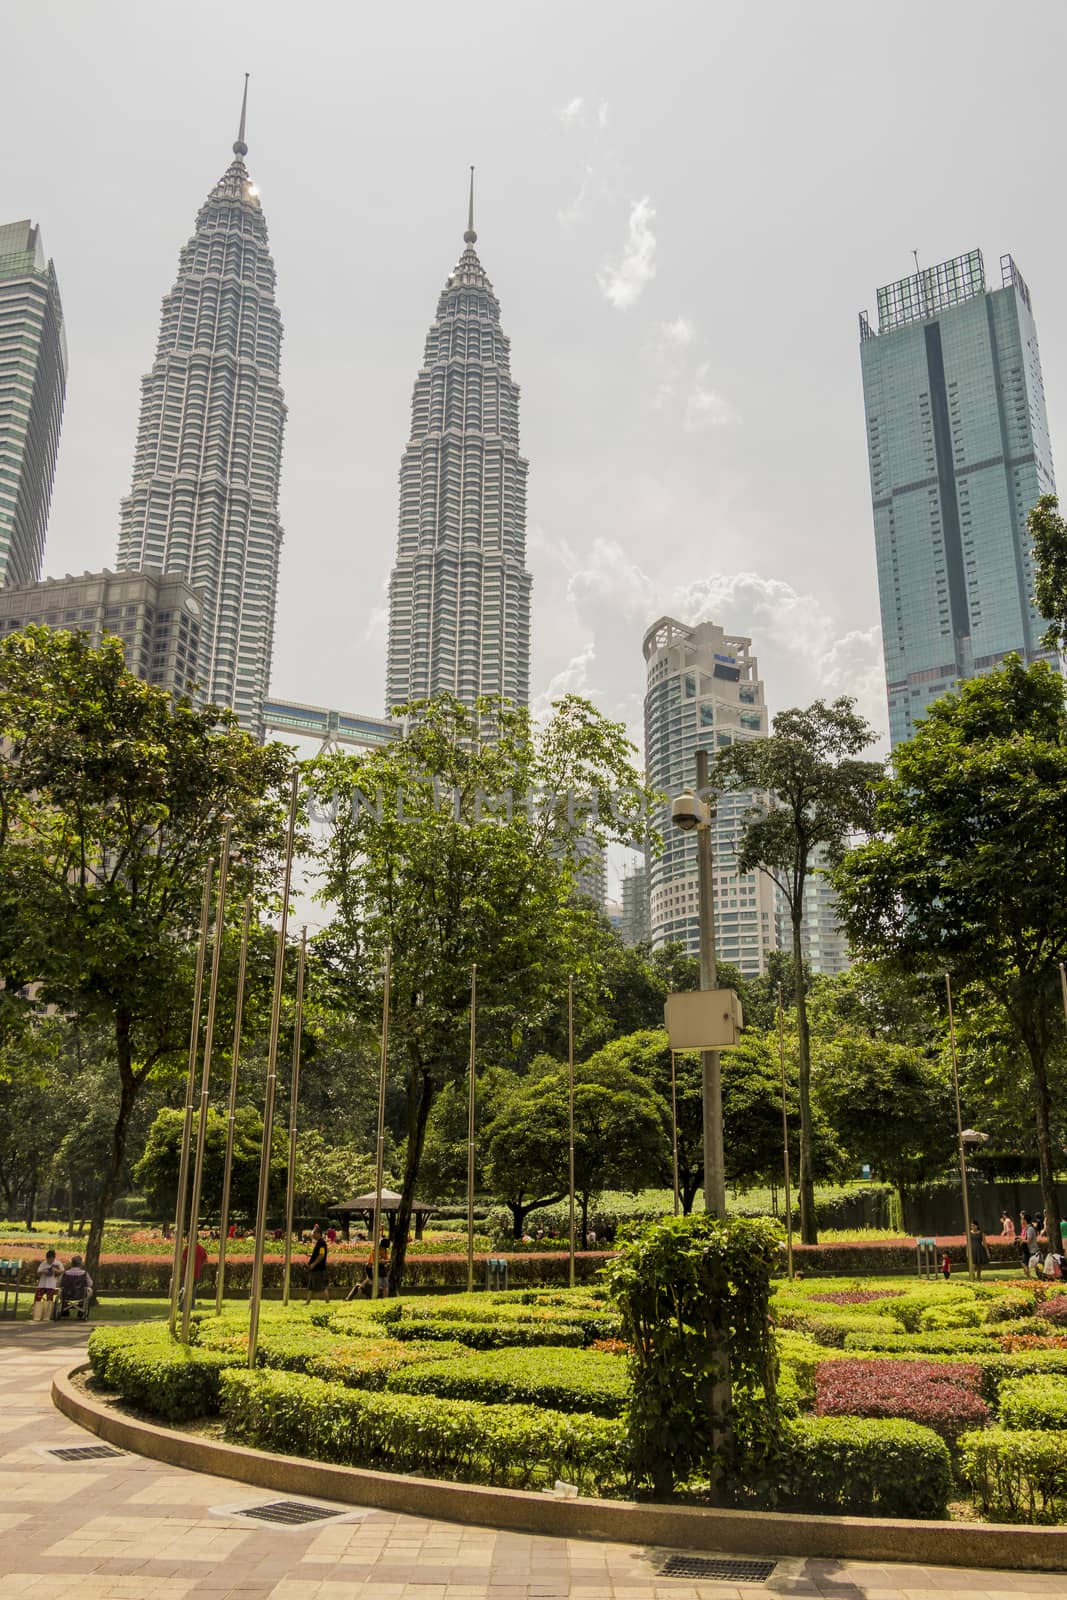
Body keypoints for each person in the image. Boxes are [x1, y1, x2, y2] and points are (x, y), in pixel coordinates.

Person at [32, 1248, 64, 1321]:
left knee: (49, 1299)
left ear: (54, 1258)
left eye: (51, 1260)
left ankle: (47, 1315)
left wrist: (56, 1271)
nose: (49, 1261)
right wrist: (43, 1271)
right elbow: (38, 1272)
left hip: (51, 1284)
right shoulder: (43, 1263)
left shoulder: (58, 1263)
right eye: (48, 1259)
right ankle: (37, 1314)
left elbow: (62, 1271)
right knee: (38, 1298)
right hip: (42, 1284)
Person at [179, 1238, 209, 1308]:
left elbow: (182, 1260)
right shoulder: (201, 1249)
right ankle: (192, 1305)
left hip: (187, 1272)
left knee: (184, 1288)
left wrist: (181, 1269)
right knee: (193, 1290)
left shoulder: (188, 1248)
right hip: (196, 1273)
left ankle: (182, 1305)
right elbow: (206, 1260)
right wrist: (199, 1264)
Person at [305, 1224, 329, 1303]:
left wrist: (313, 1264)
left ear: (318, 1233)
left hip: (318, 1268)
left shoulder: (321, 1243)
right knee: (311, 1286)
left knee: (322, 1286)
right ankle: (307, 1302)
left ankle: (327, 1301)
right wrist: (310, 1256)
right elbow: (318, 1254)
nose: (312, 1234)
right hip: (315, 1268)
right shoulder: (318, 1243)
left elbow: (321, 1255)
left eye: (314, 1233)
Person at [1019, 1213, 1038, 1277]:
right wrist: (1020, 1239)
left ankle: (1030, 1277)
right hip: (1029, 1250)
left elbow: (1029, 1241)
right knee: (1025, 1263)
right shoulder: (1028, 1228)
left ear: (1025, 1220)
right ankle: (1029, 1277)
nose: (1021, 1220)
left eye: (1022, 1219)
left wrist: (1021, 1240)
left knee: (1035, 1265)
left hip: (1033, 1250)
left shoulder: (1030, 1229)